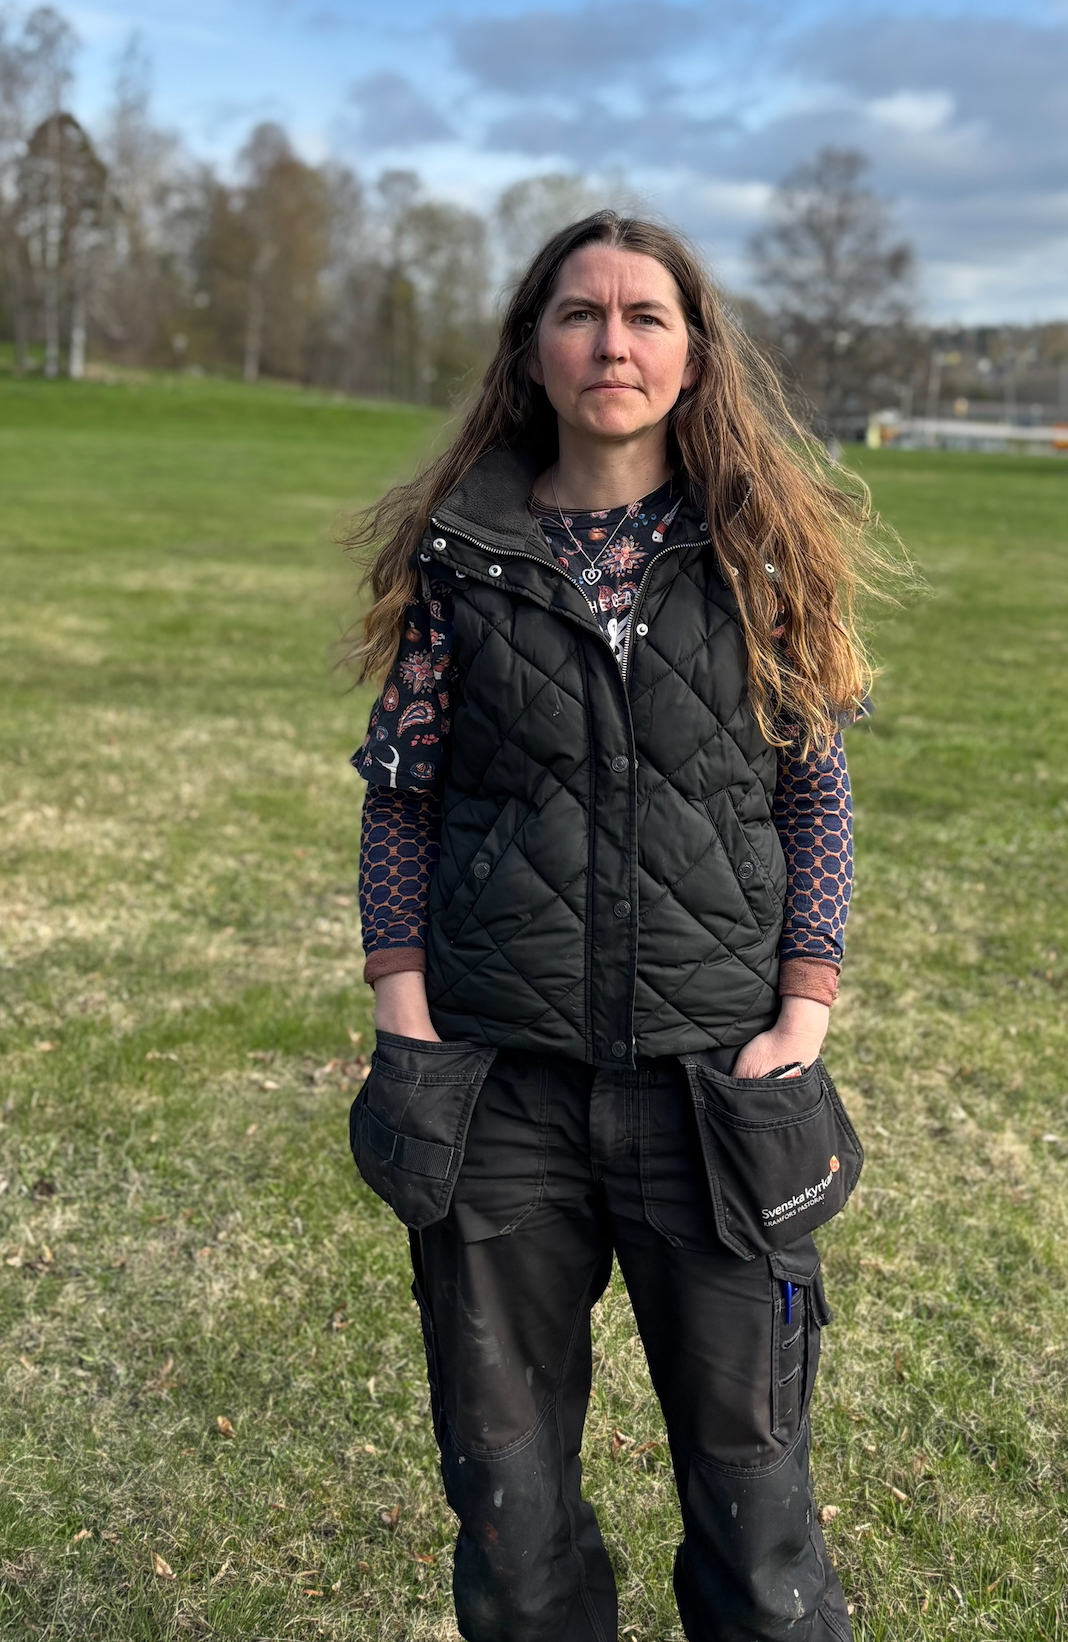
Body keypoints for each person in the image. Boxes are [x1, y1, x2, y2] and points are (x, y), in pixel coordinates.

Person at [343, 211, 890, 1642]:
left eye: (647, 315)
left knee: (759, 1516)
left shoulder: (759, 555)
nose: (612, 342)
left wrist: (803, 1012)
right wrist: (406, 1017)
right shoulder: (463, 558)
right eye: (579, 314)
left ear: (694, 355)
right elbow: (401, 798)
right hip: (500, 1094)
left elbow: (815, 795)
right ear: (533, 351)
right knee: (512, 1515)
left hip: (715, 1095)